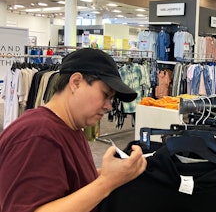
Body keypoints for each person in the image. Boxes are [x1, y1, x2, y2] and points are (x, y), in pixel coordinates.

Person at [0, 48, 147, 212]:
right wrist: (106, 182)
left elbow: (68, 181)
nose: (108, 106)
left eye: (111, 99)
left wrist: (112, 174)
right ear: (76, 82)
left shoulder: (71, 127)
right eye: (105, 94)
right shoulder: (37, 135)